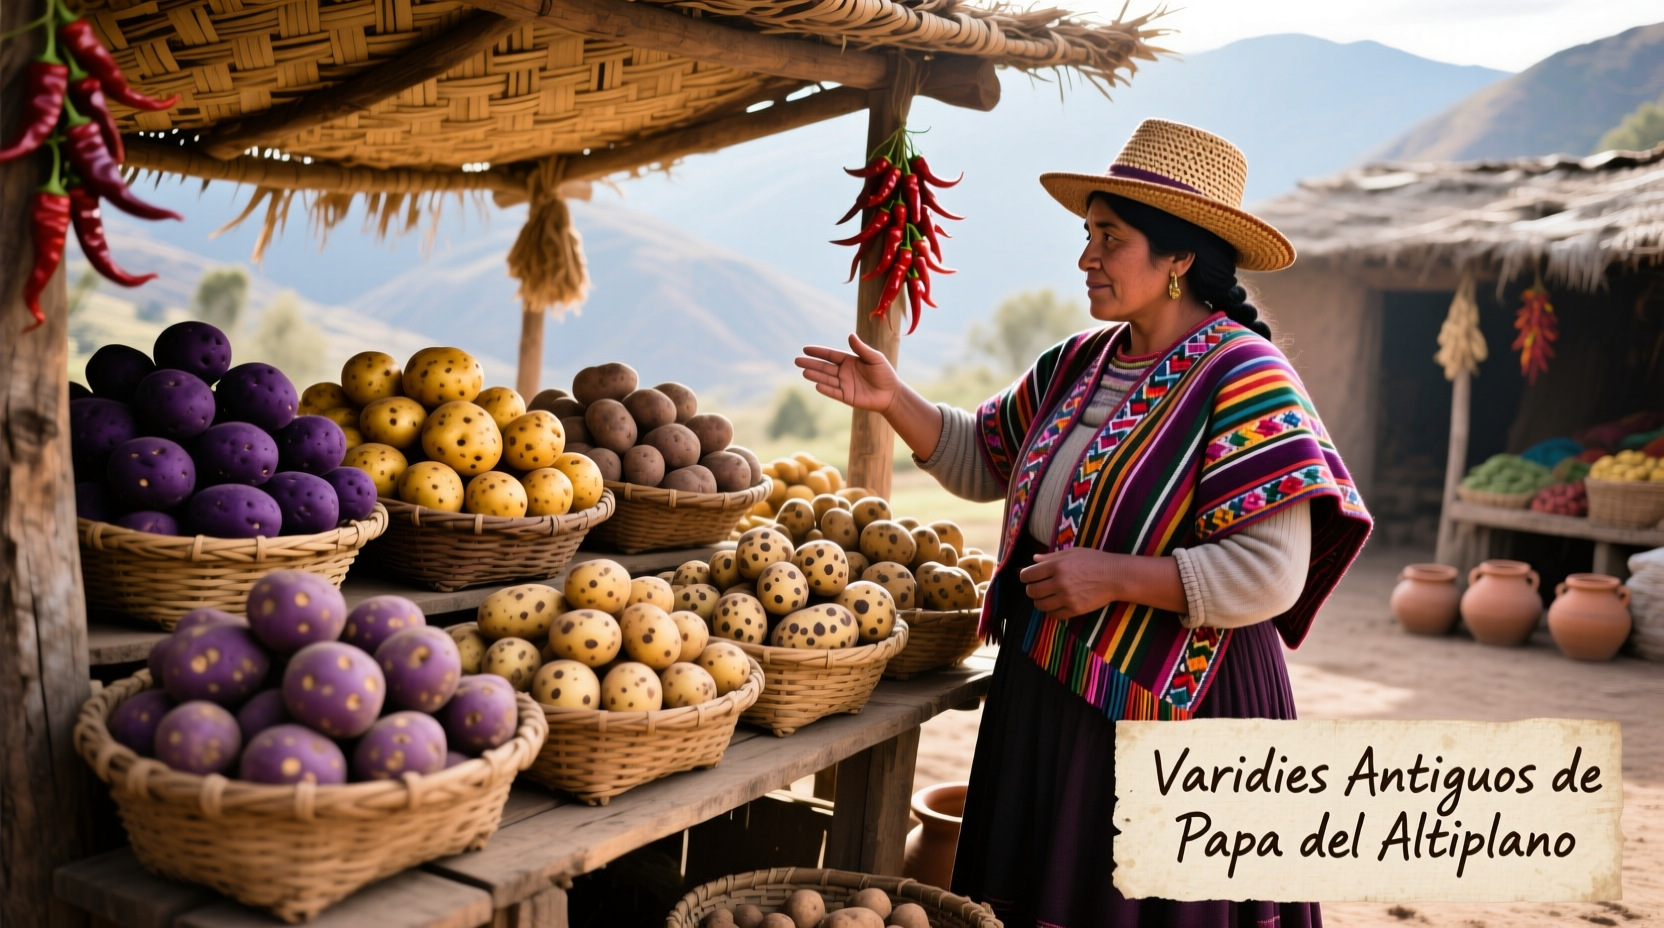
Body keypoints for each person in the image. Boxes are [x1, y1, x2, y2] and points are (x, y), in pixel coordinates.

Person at [796, 119, 1373, 928]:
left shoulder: (1244, 375)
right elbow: (985, 458)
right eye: (1087, 234)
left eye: (1111, 238)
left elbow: (1272, 574)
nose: (1086, 258)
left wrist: (1114, 576)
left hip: (1182, 702)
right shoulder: (1079, 363)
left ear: (1179, 257)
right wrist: (895, 400)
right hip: (1055, 693)